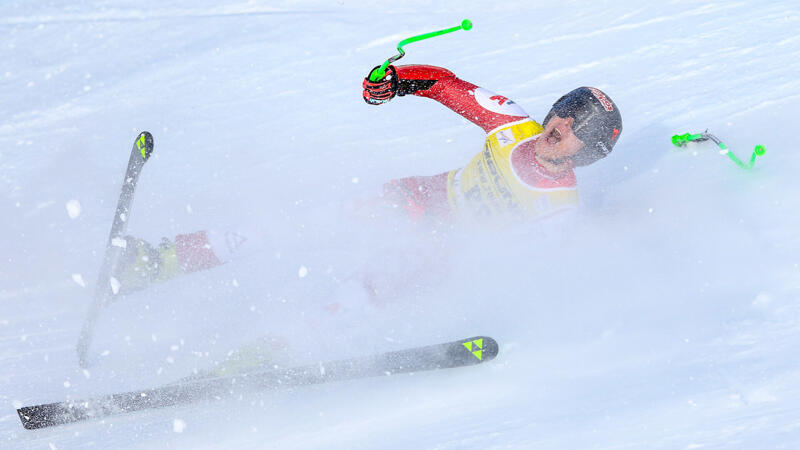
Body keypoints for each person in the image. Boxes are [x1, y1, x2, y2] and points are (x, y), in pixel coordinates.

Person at [113, 63, 622, 295]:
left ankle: (249, 365)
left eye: (583, 127)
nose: (564, 125)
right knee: (299, 225)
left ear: (591, 153)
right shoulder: (512, 125)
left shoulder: (558, 210)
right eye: (567, 110)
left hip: (444, 250)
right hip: (418, 199)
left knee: (354, 299)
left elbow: (536, 278)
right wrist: (395, 81)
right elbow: (445, 84)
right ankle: (162, 261)